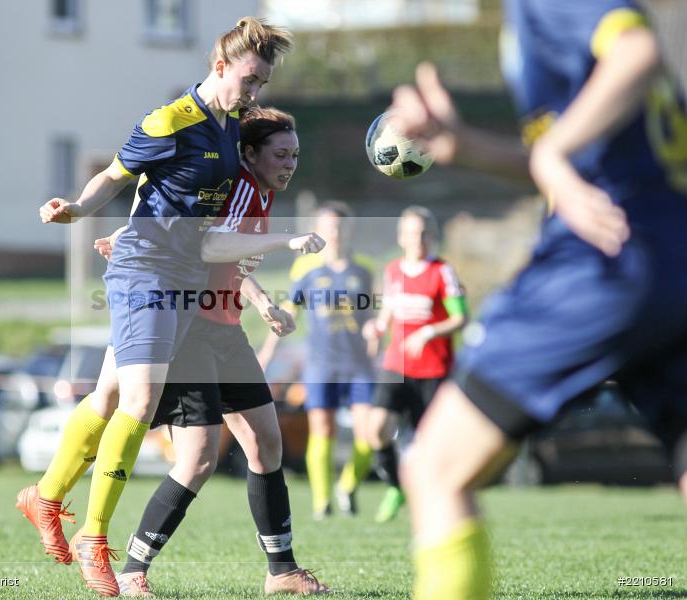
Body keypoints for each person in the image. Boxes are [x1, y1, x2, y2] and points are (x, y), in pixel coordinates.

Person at [385, 1, 687, 598]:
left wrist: (552, 154)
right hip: (668, 251)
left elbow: (637, 53)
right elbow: (581, 161)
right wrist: (466, 146)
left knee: (435, 469)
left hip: (603, 262)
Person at [19, 18, 304, 597]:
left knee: (110, 395)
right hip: (145, 272)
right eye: (250, 79)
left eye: (263, 83)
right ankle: (94, 539)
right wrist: (76, 209)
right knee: (142, 401)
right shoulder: (169, 120)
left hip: (186, 276)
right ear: (219, 65)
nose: (255, 93)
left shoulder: (232, 128)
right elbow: (116, 175)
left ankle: (45, 496)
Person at [109, 106, 330, 596]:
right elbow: (209, 246)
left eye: (295, 155)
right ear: (249, 153)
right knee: (199, 458)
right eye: (280, 154)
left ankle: (282, 572)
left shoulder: (259, 194)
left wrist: (262, 302)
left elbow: (230, 260)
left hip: (225, 330)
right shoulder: (243, 190)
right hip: (190, 330)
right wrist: (287, 240)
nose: (290, 163)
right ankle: (131, 571)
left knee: (266, 443)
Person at [259, 202, 377, 520]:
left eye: (339, 227)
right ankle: (321, 502)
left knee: (370, 433)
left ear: (348, 230)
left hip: (359, 365)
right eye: (327, 227)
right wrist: (268, 351)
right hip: (322, 363)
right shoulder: (306, 270)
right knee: (323, 430)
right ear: (319, 230)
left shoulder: (364, 269)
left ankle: (348, 486)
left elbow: (373, 314)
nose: (334, 233)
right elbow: (288, 312)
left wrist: (375, 332)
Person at [361, 206, 468, 523]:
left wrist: (428, 332)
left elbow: (461, 318)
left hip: (434, 370)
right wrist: (377, 328)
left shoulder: (442, 272)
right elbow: (389, 311)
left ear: (432, 236)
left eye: (423, 233)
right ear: (401, 237)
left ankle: (440, 505)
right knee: (376, 429)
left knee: (431, 448)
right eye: (410, 233)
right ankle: (396, 487)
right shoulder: (393, 271)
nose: (417, 240)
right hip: (397, 365)